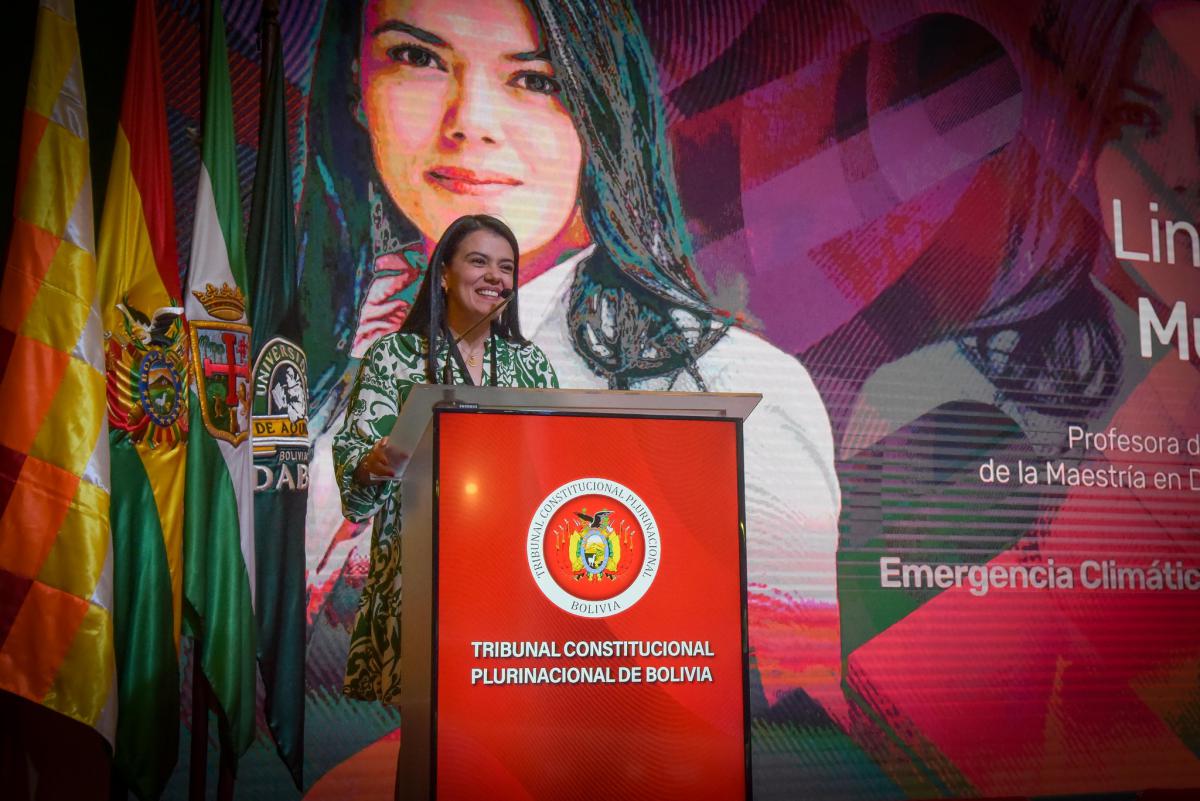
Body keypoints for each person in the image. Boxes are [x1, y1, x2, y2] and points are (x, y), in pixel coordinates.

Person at [333, 213, 558, 703]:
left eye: (506, 267)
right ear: (443, 275)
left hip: (510, 572)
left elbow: (551, 466)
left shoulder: (531, 364)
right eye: (479, 262)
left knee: (502, 726)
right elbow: (356, 463)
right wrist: (375, 463)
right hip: (420, 570)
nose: (495, 277)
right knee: (430, 730)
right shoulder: (395, 356)